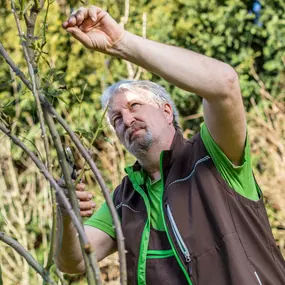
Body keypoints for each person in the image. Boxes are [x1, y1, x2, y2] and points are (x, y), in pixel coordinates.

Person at [55, 5, 285, 285]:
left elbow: (225, 84)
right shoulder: (125, 200)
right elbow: (73, 261)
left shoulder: (213, 159)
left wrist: (122, 43)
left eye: (134, 105)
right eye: (116, 118)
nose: (126, 119)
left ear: (166, 111)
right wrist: (65, 216)